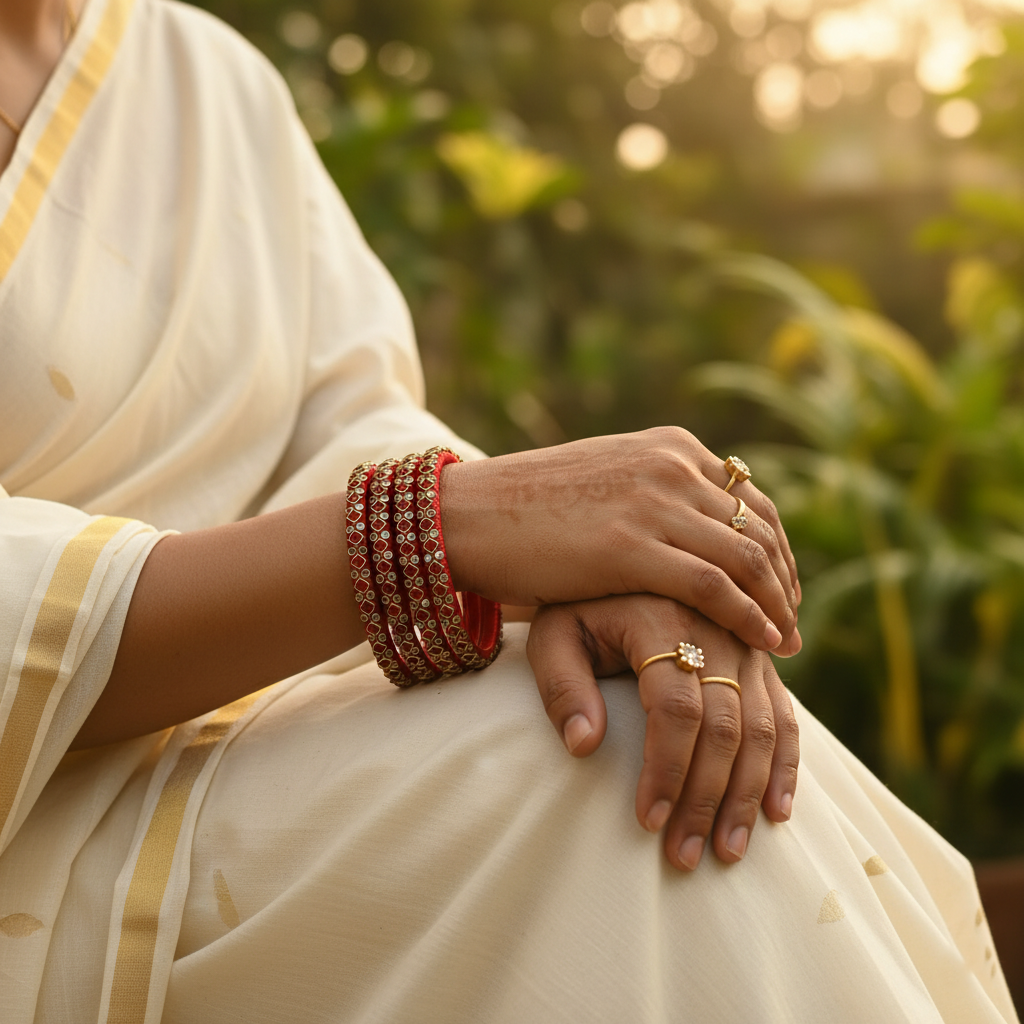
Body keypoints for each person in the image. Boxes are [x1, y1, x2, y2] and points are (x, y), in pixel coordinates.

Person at [0, 0, 1016, 1021]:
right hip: (41, 815)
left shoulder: (202, 76)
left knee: (655, 737)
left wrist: (590, 569)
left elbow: (351, 419)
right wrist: (436, 528)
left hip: (256, 725)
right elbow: (407, 503)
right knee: (597, 798)